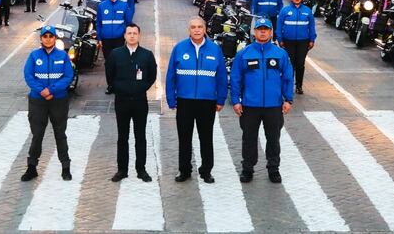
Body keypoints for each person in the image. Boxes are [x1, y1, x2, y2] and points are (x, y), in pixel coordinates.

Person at [230, 18, 294, 184]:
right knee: (249, 138)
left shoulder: (281, 54)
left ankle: (273, 169)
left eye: (266, 29)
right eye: (260, 29)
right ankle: (247, 169)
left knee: (273, 138)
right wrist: (236, 100)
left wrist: (288, 100)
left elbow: (288, 78)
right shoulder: (244, 53)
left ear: (271, 32)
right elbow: (236, 78)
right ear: (254, 32)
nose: (263, 32)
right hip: (250, 106)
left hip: (273, 106)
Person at [165, 18, 228, 184]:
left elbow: (222, 77)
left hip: (207, 102)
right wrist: (171, 99)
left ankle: (206, 171)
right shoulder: (179, 48)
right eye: (193, 27)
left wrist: (220, 99)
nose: (197, 30)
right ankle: (184, 170)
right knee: (184, 138)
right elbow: (171, 75)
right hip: (185, 101)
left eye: (200, 27)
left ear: (205, 29)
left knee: (206, 138)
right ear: (189, 30)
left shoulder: (215, 49)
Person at [21, 25, 75, 182]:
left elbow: (68, 76)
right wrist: (41, 90)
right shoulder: (33, 55)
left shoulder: (63, 56)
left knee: (60, 134)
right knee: (37, 135)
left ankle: (65, 167)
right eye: (45, 36)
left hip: (58, 100)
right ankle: (32, 168)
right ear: (41, 39)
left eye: (51, 36)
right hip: (38, 101)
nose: (48, 39)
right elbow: (28, 75)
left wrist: (51, 90)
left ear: (55, 38)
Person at [106, 23, 157, 182]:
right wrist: (119, 89)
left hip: (140, 101)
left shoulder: (147, 55)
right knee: (122, 136)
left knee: (140, 136)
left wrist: (141, 87)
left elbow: (152, 76)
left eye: (135, 33)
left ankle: (141, 169)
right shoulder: (115, 54)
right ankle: (122, 170)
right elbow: (110, 75)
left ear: (139, 36)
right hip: (121, 101)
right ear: (125, 36)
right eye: (129, 33)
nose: (132, 36)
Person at [96, 0, 134, 94]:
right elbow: (98, 23)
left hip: (119, 39)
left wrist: (127, 37)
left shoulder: (123, 5)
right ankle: (110, 85)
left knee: (120, 62)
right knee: (109, 63)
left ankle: (119, 85)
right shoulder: (102, 6)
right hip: (106, 40)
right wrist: (99, 38)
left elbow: (128, 23)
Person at [276, 0, 316, 94]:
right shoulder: (285, 10)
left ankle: (299, 85)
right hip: (288, 41)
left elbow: (312, 27)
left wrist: (312, 39)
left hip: (303, 41)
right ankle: (288, 86)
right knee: (290, 64)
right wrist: (280, 39)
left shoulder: (307, 11)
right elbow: (279, 25)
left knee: (300, 64)